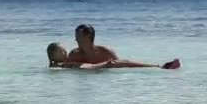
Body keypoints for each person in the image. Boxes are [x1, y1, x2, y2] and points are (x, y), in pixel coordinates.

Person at [47, 42, 181, 70]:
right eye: (62, 52)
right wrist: (105, 64)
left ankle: (159, 66)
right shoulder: (65, 65)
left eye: (64, 51)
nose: (65, 53)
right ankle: (159, 67)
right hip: (103, 66)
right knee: (125, 62)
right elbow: (87, 67)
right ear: (54, 57)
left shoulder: (62, 65)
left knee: (126, 62)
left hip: (103, 66)